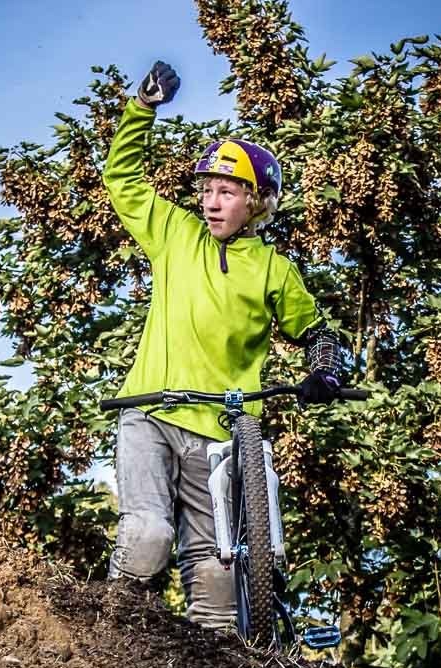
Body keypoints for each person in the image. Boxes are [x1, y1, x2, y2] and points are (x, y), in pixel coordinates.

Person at [102, 61, 342, 629]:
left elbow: (318, 332)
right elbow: (123, 181)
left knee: (217, 581)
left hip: (222, 433)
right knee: (147, 535)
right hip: (149, 412)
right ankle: (107, 643)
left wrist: (324, 370)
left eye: (227, 192)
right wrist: (142, 109)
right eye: (206, 190)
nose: (211, 201)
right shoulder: (175, 235)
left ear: (257, 203)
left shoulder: (275, 270)